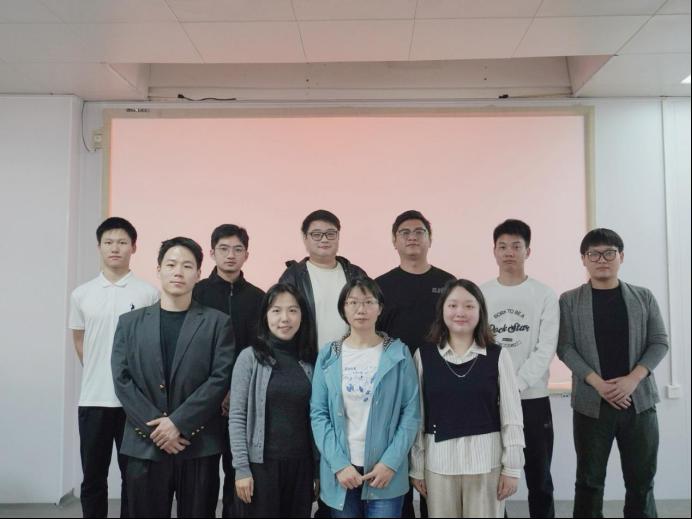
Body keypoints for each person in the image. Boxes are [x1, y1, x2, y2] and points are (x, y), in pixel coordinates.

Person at [111, 237, 235, 518]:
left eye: (187, 266)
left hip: (198, 445)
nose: (178, 272)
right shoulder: (129, 323)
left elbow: (219, 378)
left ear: (199, 273)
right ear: (158, 269)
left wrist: (178, 423)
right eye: (171, 264)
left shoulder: (217, 323)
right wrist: (159, 429)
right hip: (144, 445)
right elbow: (121, 378)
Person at [557, 228, 669, 518]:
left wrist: (633, 380)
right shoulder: (569, 300)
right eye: (594, 254)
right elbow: (565, 347)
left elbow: (659, 342)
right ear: (583, 259)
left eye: (609, 253)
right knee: (589, 483)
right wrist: (598, 384)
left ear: (621, 257)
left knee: (641, 483)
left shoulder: (643, 297)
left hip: (639, 403)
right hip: (591, 405)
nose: (602, 260)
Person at [410, 279, 525, 518]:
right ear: (442, 310)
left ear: (480, 311)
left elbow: (512, 416)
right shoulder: (424, 356)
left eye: (469, 306)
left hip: (486, 463)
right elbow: (418, 416)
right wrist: (417, 467)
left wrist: (512, 468)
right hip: (439, 465)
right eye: (452, 305)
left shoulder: (498, 356)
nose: (460, 312)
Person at [69, 217, 159, 518]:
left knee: (134, 478)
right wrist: (99, 370)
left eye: (122, 242)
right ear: (99, 247)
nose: (115, 248)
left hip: (134, 402)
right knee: (93, 476)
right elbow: (79, 339)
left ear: (134, 247)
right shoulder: (81, 294)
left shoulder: (148, 294)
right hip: (93, 399)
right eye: (108, 242)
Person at [311, 277, 420, 518]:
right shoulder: (329, 355)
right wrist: (339, 464)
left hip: (385, 474)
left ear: (380, 308)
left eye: (369, 302)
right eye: (353, 302)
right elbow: (318, 415)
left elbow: (411, 414)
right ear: (343, 309)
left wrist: (390, 463)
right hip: (342, 473)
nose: (361, 309)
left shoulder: (398, 353)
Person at [376, 210, 455, 518]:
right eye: (404, 232)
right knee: (399, 470)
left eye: (419, 231)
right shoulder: (380, 286)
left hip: (440, 389)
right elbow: (373, 337)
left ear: (430, 239)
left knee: (434, 475)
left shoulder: (448, 283)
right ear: (394, 241)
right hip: (394, 389)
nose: (412, 237)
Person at [481, 219, 558, 518]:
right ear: (494, 252)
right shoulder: (481, 293)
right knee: (492, 477)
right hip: (491, 400)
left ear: (528, 251)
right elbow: (477, 345)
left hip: (532, 399)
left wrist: (515, 385)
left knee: (539, 478)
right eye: (502, 246)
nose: (509, 252)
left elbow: (545, 349)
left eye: (516, 246)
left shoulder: (544, 294)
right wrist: (497, 387)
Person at [193, 224, 265, 518]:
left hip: (244, 399)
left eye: (238, 249)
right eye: (223, 249)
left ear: (247, 254)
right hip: (204, 400)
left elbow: (261, 349)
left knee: (239, 473)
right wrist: (218, 392)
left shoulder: (259, 298)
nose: (231, 255)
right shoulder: (197, 293)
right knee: (203, 478)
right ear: (212, 253)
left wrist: (237, 392)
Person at [229, 283, 318, 518]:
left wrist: (317, 471)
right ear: (265, 316)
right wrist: (242, 469)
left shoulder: (310, 361)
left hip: (301, 466)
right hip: (261, 467)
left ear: (302, 315)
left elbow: (317, 418)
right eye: (276, 311)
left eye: (293, 310)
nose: (285, 318)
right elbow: (237, 416)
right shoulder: (249, 358)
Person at [279, 209, 367, 351]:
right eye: (316, 234)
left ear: (338, 236)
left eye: (331, 234)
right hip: (307, 359)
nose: (324, 239)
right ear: (305, 238)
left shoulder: (356, 275)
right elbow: (281, 323)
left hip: (352, 358)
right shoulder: (293, 277)